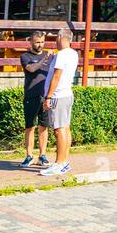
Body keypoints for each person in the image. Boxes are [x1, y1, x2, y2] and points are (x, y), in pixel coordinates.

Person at [39, 28, 79, 177]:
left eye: (56, 37)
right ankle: (65, 161)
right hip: (67, 94)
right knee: (65, 128)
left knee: (58, 130)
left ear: (61, 37)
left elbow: (56, 76)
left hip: (58, 96)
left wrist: (48, 97)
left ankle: (59, 163)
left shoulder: (62, 55)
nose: (55, 40)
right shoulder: (73, 53)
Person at [19, 31, 52, 168]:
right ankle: (29, 155)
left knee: (43, 127)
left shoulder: (49, 56)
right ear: (31, 42)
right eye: (37, 42)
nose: (40, 45)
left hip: (45, 96)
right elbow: (32, 69)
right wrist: (44, 59)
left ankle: (42, 155)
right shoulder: (25, 56)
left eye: (42, 42)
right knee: (30, 127)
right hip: (30, 96)